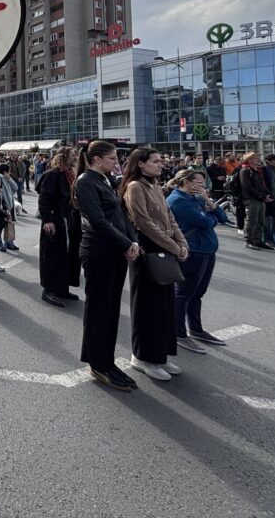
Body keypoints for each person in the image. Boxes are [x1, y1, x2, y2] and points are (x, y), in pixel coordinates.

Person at [75, 140, 140, 392]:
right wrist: (126, 243)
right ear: (96, 159)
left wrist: (132, 240)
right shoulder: (85, 181)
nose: (117, 163)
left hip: (114, 250)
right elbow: (97, 220)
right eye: (112, 159)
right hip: (99, 251)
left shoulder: (105, 180)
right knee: (99, 310)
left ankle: (108, 361)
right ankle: (98, 363)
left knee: (111, 310)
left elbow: (120, 215)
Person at [120, 148, 188, 382]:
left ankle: (160, 356)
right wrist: (174, 246)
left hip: (166, 248)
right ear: (141, 164)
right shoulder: (135, 187)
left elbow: (169, 217)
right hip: (147, 250)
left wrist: (181, 243)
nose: (161, 164)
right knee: (147, 307)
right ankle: (142, 357)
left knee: (164, 306)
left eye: (161, 161)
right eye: (156, 161)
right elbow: (144, 223)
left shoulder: (156, 185)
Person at [167, 169, 229, 354]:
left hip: (207, 250)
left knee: (197, 293)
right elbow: (205, 223)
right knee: (184, 293)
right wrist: (210, 215)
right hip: (193, 251)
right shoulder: (177, 200)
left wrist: (209, 202)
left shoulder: (197, 198)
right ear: (186, 182)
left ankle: (196, 329)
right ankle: (178, 333)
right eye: (200, 183)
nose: (203, 187)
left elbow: (223, 217)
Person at [37, 147, 80, 307]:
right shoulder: (53, 174)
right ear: (64, 156)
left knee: (64, 255)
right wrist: (47, 220)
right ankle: (49, 290)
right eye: (72, 154)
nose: (75, 157)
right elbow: (44, 198)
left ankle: (61, 288)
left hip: (65, 220)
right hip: (53, 221)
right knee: (51, 256)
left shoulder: (67, 174)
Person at [238, 152, 273, 250]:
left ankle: (257, 240)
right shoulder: (245, 170)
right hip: (251, 199)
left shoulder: (256, 170)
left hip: (260, 199)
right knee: (251, 221)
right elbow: (247, 186)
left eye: (258, 158)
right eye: (255, 158)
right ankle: (249, 240)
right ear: (249, 160)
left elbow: (261, 184)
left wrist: (266, 194)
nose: (258, 159)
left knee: (260, 221)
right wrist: (261, 196)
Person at [0, 163, 19, 251]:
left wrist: (9, 178)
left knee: (9, 224)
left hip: (9, 204)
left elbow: (15, 187)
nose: (10, 172)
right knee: (1, 225)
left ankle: (9, 242)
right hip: (2, 205)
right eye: (9, 171)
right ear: (5, 171)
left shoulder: (7, 178)